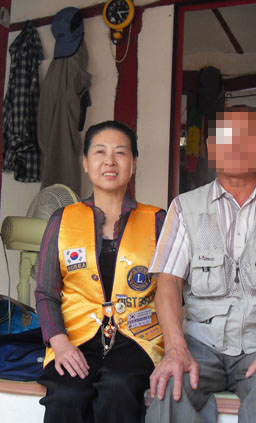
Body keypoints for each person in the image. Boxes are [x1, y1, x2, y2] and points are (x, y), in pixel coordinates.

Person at [146, 106, 256, 423]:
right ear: (211, 147)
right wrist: (175, 348)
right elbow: (168, 282)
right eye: (226, 137)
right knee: (169, 388)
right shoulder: (184, 207)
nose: (236, 145)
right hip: (199, 343)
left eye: (248, 137)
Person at [35, 120, 166, 423]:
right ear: (85, 162)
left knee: (119, 386)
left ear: (134, 163)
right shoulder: (62, 220)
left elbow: (171, 291)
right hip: (75, 338)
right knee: (66, 394)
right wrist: (59, 342)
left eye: (120, 152)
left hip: (138, 338)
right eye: (99, 152)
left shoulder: (157, 220)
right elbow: (45, 292)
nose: (110, 161)